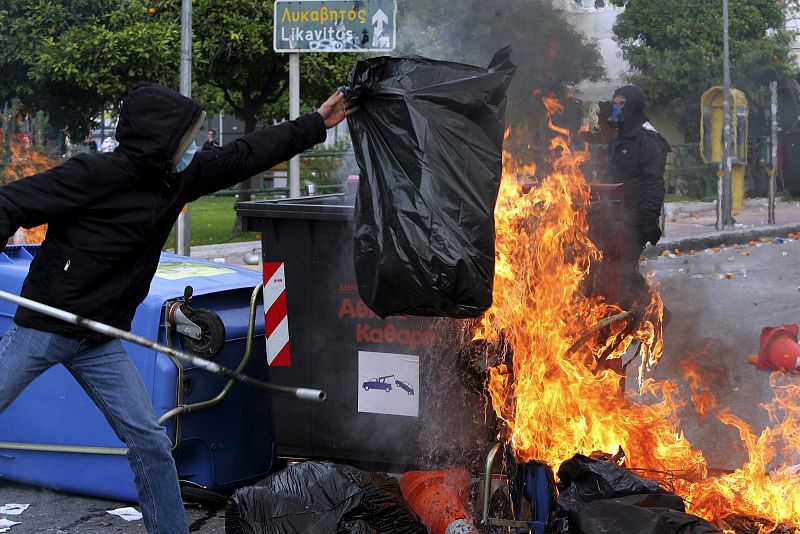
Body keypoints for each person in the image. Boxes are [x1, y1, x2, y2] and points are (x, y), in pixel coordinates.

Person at [0, 81, 355, 534]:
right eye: (187, 139)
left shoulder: (176, 180)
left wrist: (316, 123)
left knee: (149, 442)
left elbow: (244, 154)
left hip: (102, 338)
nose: (194, 147)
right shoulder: (90, 174)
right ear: (159, 139)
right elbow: (10, 202)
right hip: (46, 324)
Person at [605, 84, 671, 313]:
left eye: (621, 104)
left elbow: (653, 182)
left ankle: (655, 312)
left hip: (636, 217)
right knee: (605, 268)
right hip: (615, 217)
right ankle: (630, 315)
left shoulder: (649, 141)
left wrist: (649, 219)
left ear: (633, 106)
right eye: (615, 103)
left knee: (623, 269)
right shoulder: (617, 141)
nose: (616, 108)